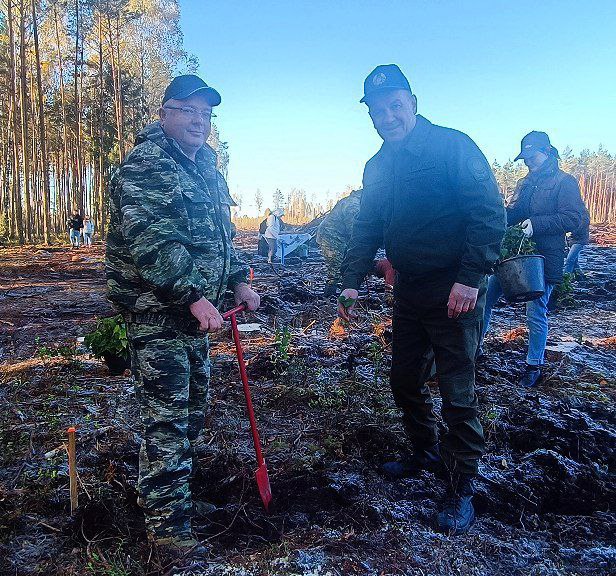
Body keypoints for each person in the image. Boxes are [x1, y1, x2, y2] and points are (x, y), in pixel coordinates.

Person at [338, 64, 506, 535]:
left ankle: (460, 488)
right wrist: (352, 279)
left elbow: (488, 214)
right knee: (404, 378)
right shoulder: (378, 165)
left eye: (395, 105)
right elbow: (367, 226)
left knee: (457, 391)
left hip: (455, 288)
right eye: (377, 109)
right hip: (409, 288)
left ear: (412, 102)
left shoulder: (453, 146)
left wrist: (471, 278)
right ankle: (424, 452)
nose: (387, 116)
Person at [105, 74, 260, 564]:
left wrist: (239, 281)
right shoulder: (145, 166)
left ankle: (168, 499)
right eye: (188, 111)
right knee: (167, 423)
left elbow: (223, 235)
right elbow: (153, 243)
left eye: (206, 114)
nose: (198, 121)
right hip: (159, 318)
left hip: (200, 318)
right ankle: (168, 531)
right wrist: (194, 296)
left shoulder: (208, 167)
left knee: (192, 414)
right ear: (164, 113)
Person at [481, 131, 585, 388]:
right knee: (485, 301)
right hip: (515, 254)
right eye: (525, 157)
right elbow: (514, 212)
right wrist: (496, 215)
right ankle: (474, 349)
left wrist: (536, 224)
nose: (528, 162)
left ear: (547, 152)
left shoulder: (565, 182)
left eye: (532, 156)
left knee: (536, 313)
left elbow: (573, 219)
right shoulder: (524, 183)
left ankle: (534, 364)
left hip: (545, 259)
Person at [564, 203, 590, 277]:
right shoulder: (574, 213)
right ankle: (580, 276)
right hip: (572, 239)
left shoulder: (584, 215)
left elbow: (581, 227)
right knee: (575, 261)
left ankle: (566, 278)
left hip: (580, 240)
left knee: (569, 260)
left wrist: (570, 231)